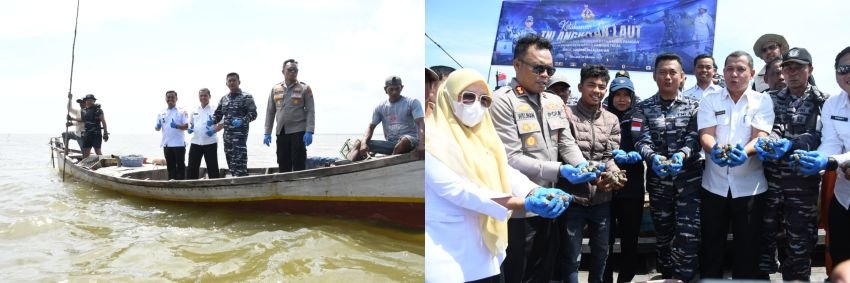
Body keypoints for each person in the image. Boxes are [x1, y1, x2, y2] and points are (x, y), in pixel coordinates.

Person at [424, 68, 572, 283]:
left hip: (486, 251)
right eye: (468, 97)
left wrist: (535, 190)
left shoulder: (485, 137)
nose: (476, 105)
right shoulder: (431, 140)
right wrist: (522, 203)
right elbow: (459, 191)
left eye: (484, 100)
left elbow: (503, 170)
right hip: (448, 255)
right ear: (449, 97)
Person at [489, 33, 598, 283]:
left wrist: (582, 165)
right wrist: (560, 170)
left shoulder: (554, 101)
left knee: (546, 272)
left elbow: (566, 142)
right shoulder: (502, 102)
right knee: (519, 274)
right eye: (539, 68)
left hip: (553, 203)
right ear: (517, 65)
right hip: (521, 208)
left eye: (550, 69)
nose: (546, 75)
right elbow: (510, 158)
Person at [697, 51, 775, 280]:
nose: (734, 74)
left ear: (751, 73)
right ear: (723, 72)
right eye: (730, 69)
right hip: (714, 186)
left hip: (750, 187)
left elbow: (760, 136)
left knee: (748, 248)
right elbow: (706, 134)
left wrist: (746, 152)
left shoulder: (762, 100)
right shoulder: (710, 99)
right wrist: (714, 149)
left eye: (741, 69)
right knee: (711, 246)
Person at [755, 47, 827, 281]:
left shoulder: (823, 101)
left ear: (810, 69)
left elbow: (822, 135)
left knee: (800, 241)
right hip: (770, 182)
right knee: (764, 238)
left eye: (799, 68)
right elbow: (768, 127)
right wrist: (770, 141)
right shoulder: (770, 98)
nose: (792, 73)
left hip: (802, 185)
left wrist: (791, 143)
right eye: (788, 68)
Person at [630, 53, 702, 281]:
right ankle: (668, 275)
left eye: (672, 72)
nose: (667, 77)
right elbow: (640, 139)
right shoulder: (641, 108)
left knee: (688, 234)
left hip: (689, 183)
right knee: (663, 235)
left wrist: (682, 154)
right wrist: (653, 158)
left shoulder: (695, 106)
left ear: (682, 77)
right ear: (654, 76)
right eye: (662, 72)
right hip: (659, 184)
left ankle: (686, 277)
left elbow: (696, 137)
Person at [559, 64, 622, 283]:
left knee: (601, 253)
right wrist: (593, 176)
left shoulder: (611, 119)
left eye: (601, 86)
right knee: (571, 256)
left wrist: (614, 175)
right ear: (580, 87)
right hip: (572, 198)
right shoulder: (567, 115)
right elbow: (564, 151)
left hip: (602, 200)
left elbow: (609, 155)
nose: (597, 90)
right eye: (591, 85)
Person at [796, 46, 850, 280]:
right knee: (839, 260)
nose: (848, 74)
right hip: (843, 197)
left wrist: (831, 161)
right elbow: (831, 143)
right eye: (844, 69)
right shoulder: (832, 104)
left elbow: (835, 157)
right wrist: (818, 158)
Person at [603, 75, 646, 283]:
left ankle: (626, 277)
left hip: (632, 187)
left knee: (630, 237)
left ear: (632, 97)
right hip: (607, 187)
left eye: (626, 95)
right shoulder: (601, 116)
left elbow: (646, 141)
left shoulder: (639, 117)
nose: (622, 99)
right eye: (617, 95)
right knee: (606, 238)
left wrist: (639, 154)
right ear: (610, 96)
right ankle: (605, 278)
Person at [348, 76, 425, 161]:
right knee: (358, 143)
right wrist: (363, 143)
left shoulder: (412, 102)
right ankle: (348, 165)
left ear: (402, 88)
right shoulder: (380, 107)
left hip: (410, 142)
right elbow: (371, 127)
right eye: (391, 89)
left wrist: (422, 144)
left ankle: (389, 162)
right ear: (385, 90)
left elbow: (420, 123)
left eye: (397, 89)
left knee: (405, 140)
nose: (394, 92)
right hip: (391, 144)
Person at [263, 59, 315, 173]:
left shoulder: (304, 88)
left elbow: (310, 111)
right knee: (283, 162)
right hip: (281, 131)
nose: (293, 72)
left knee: (299, 162)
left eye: (295, 70)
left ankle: (300, 183)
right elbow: (270, 111)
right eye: (290, 70)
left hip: (299, 131)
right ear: (283, 71)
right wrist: (267, 132)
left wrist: (309, 131)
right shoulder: (275, 89)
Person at [213, 72, 258, 177]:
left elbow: (253, 114)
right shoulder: (224, 99)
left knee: (240, 161)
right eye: (230, 81)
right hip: (227, 137)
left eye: (234, 80)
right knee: (230, 161)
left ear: (239, 82)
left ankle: (242, 181)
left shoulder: (246, 97)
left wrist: (242, 120)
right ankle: (234, 180)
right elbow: (218, 114)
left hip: (239, 137)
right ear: (226, 83)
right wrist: (212, 120)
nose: (232, 83)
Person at [154, 90, 189, 180]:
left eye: (172, 97)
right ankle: (171, 184)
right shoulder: (161, 113)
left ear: (176, 99)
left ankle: (181, 185)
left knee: (180, 167)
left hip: (179, 144)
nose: (170, 99)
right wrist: (157, 126)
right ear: (165, 99)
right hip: (167, 144)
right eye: (168, 97)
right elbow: (157, 128)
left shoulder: (182, 112)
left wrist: (177, 126)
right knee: (170, 167)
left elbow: (187, 126)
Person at [186, 88, 220, 179]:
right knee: (192, 167)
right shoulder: (194, 109)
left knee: (213, 167)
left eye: (205, 95)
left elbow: (222, 124)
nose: (203, 97)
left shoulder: (215, 109)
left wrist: (213, 131)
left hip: (210, 142)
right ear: (199, 97)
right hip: (196, 142)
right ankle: (191, 185)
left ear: (209, 96)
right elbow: (191, 123)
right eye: (201, 96)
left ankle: (215, 185)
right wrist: (190, 128)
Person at [73, 94, 109, 158]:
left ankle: (102, 162)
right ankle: (85, 164)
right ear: (85, 101)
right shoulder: (83, 111)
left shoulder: (98, 110)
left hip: (96, 134)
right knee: (85, 152)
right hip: (87, 134)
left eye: (90, 100)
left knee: (97, 151)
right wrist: (72, 119)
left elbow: (103, 121)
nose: (88, 101)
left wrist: (105, 133)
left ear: (94, 101)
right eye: (87, 100)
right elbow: (82, 120)